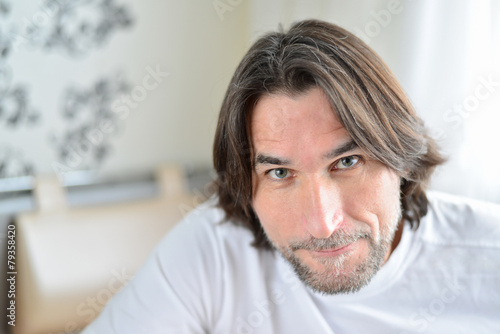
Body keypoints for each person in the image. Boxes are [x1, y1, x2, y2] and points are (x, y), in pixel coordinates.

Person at [82, 19, 500, 333]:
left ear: (401, 157)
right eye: (280, 172)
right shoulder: (211, 253)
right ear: (244, 183)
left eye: (347, 162)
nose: (322, 224)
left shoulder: (487, 260)